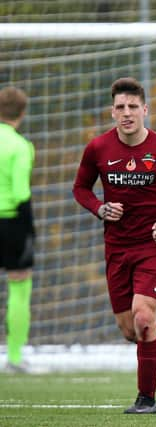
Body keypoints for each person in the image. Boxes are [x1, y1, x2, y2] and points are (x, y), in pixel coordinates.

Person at [73, 77, 156, 414]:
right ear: (112, 112)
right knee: (132, 331)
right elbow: (80, 189)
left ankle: (147, 400)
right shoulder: (98, 149)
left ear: (145, 110)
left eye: (133, 107)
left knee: (142, 319)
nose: (126, 113)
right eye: (120, 107)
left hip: (152, 248)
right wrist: (99, 208)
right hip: (116, 250)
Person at [0, 87, 36, 374]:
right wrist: (30, 230)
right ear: (22, 114)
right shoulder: (21, 146)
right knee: (19, 286)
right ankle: (14, 357)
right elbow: (22, 193)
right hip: (11, 221)